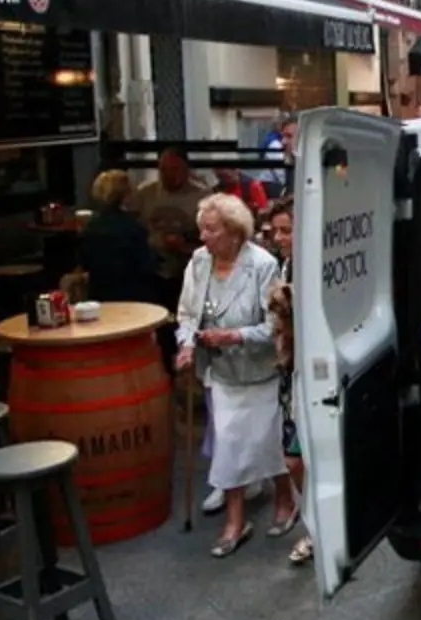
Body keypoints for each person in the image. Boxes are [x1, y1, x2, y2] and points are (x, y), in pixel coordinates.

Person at [175, 193, 297, 557]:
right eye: (201, 229)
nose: (203, 237)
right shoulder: (199, 262)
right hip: (223, 372)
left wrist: (232, 336)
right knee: (228, 446)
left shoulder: (262, 265)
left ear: (233, 231)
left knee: (269, 443)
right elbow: (187, 314)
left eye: (210, 230)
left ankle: (285, 500)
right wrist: (186, 345)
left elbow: (275, 325)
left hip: (261, 371)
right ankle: (235, 521)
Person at [129, 148, 210, 374]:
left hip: (188, 272)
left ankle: (191, 369)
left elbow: (212, 241)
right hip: (152, 273)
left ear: (186, 170)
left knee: (186, 323)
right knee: (160, 325)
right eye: (163, 170)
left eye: (174, 169)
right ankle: (163, 369)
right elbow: (132, 231)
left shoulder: (202, 197)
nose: (168, 175)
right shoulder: (145, 194)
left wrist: (183, 245)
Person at [264, 198, 311, 565]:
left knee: (315, 457)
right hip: (290, 374)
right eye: (276, 231)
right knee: (293, 460)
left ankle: (317, 530)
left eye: (286, 230)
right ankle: (310, 519)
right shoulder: (287, 264)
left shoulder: (317, 266)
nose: (279, 238)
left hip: (315, 374)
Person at [78, 170, 159, 304]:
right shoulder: (133, 227)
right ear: (125, 195)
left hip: (99, 296)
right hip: (134, 298)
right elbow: (147, 265)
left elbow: (84, 263)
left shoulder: (90, 227)